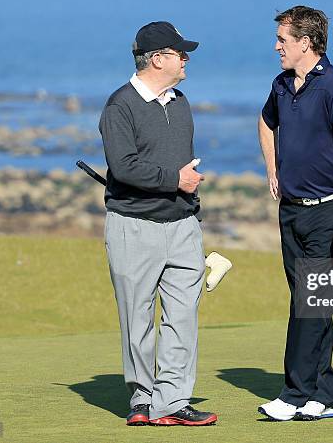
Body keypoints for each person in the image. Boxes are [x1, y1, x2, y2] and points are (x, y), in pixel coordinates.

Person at [99, 21, 217, 426]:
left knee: (182, 317)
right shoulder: (120, 106)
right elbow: (124, 167)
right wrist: (175, 180)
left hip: (182, 224)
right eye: (180, 53)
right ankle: (142, 399)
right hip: (133, 225)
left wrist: (190, 195)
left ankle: (172, 400)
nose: (186, 59)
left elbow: (181, 163)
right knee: (138, 318)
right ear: (158, 58)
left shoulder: (180, 102)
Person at [257, 6, 333, 421]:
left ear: (306, 42)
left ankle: (295, 393)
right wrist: (273, 168)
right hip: (291, 211)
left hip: (328, 214)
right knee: (312, 304)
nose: (277, 46)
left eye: (283, 40)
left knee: (309, 303)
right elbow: (267, 122)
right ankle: (323, 393)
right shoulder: (282, 84)